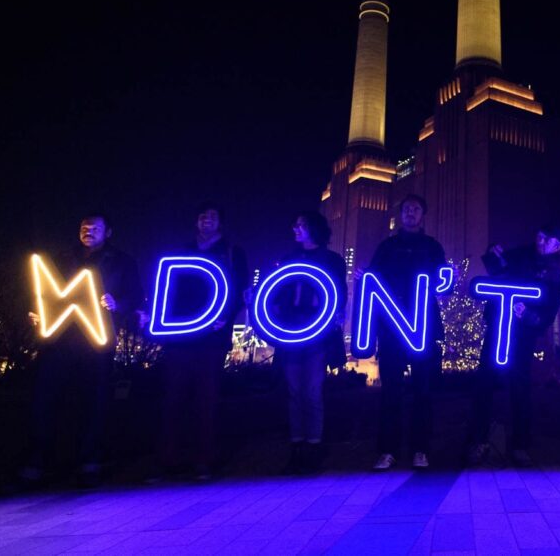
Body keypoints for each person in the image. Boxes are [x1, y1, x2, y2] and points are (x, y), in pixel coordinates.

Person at [22, 212, 143, 488]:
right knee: (46, 398)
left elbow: (136, 295)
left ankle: (89, 462)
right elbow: (44, 291)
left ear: (108, 232)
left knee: (95, 401)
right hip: (59, 339)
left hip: (97, 339)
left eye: (95, 227)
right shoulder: (63, 258)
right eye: (84, 227)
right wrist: (38, 312)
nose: (88, 231)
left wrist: (118, 304)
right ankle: (40, 461)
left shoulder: (123, 262)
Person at [149, 202, 248, 482]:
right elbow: (168, 288)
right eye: (202, 215)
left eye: (212, 216)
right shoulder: (183, 251)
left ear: (220, 223)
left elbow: (241, 291)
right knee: (173, 399)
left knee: (207, 400)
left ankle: (204, 460)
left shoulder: (232, 253)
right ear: (196, 221)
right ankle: (167, 460)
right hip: (180, 337)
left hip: (212, 338)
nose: (207, 220)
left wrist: (225, 317)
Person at [358, 194, 447, 470]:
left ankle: (421, 449)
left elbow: (443, 282)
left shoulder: (432, 246)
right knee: (391, 391)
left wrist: (447, 281)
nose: (411, 212)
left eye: (416, 208)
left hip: (423, 327)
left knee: (423, 391)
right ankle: (388, 450)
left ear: (423, 215)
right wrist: (364, 277)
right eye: (407, 208)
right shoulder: (387, 246)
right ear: (401, 214)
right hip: (392, 327)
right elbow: (372, 278)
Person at [466, 224, 560, 467]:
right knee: (484, 383)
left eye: (548, 239)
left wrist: (530, 316)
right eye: (540, 236)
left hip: (523, 334)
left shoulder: (556, 275)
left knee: (520, 386)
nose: (541, 241)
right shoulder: (520, 254)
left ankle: (520, 444)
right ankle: (479, 440)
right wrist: (493, 252)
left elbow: (550, 310)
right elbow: (495, 268)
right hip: (499, 326)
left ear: (557, 246)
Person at [269, 211, 347, 475]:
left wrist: (335, 316)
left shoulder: (331, 260)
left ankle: (313, 446)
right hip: (291, 330)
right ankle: (297, 446)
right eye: (295, 224)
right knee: (294, 391)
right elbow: (276, 291)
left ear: (314, 228)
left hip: (317, 332)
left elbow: (340, 294)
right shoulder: (289, 259)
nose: (296, 228)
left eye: (301, 224)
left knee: (312, 391)